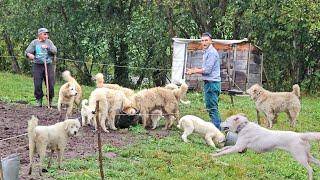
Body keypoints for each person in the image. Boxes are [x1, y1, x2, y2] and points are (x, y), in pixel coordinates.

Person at [186, 32, 221, 129]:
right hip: (209, 83)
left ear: (211, 41)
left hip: (212, 84)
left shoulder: (212, 53)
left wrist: (194, 71)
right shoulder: (206, 52)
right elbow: (206, 68)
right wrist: (195, 70)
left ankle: (216, 130)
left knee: (213, 108)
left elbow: (208, 70)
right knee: (210, 107)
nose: (204, 42)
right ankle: (216, 127)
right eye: (202, 40)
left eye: (206, 40)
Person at [25, 28, 57, 107]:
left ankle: (50, 100)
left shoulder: (49, 42)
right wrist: (30, 55)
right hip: (37, 65)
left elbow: (55, 51)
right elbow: (27, 52)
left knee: (50, 83)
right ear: (40, 34)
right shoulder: (34, 43)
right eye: (45, 34)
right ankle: (38, 100)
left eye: (47, 34)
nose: (47, 36)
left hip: (48, 65)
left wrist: (48, 47)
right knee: (37, 83)